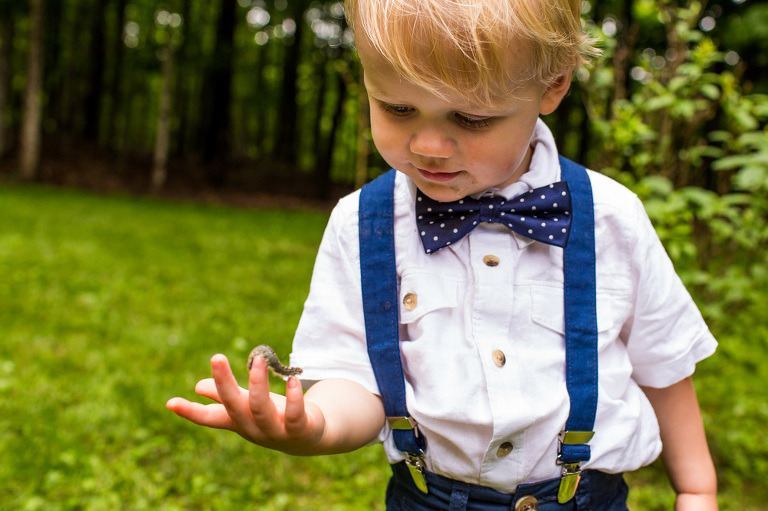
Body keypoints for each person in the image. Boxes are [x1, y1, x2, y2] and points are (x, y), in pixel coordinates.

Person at [166, 0, 719, 508]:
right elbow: (356, 379)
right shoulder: (363, 224)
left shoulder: (611, 217)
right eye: (398, 108)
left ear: (552, 86)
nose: (427, 145)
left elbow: (665, 365)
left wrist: (696, 488)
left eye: (471, 118)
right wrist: (316, 425)